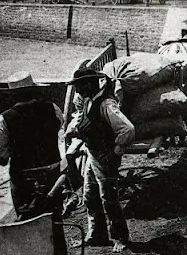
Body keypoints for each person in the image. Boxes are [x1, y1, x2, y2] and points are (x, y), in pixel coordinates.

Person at [65, 68, 135, 253]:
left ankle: (121, 237)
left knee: (109, 198)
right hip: (92, 154)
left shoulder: (106, 104)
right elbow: (83, 119)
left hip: (104, 157)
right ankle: (96, 234)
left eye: (80, 86)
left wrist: (117, 150)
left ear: (90, 84)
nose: (78, 90)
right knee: (89, 195)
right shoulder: (89, 101)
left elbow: (127, 129)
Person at [0, 71, 67, 255]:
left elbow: (2, 155)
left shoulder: (6, 117)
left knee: (27, 220)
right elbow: (59, 126)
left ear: (13, 94)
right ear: (33, 90)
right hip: (52, 170)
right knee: (54, 218)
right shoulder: (52, 107)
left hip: (24, 176)